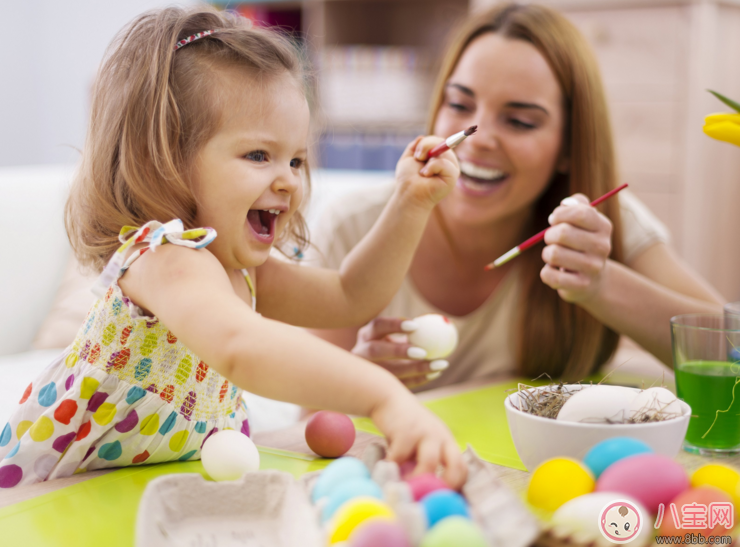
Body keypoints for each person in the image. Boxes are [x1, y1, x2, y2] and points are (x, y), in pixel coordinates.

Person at [0, 6, 467, 489]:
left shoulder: (241, 269)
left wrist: (410, 203)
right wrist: (383, 397)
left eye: (297, 159)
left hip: (152, 491)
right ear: (167, 160)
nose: (288, 180)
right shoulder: (163, 259)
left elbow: (352, 296)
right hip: (52, 495)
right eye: (259, 155)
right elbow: (241, 346)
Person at [307, 3, 724, 390]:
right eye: (459, 103)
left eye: (520, 121)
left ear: (567, 148)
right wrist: (356, 385)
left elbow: (730, 354)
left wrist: (601, 284)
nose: (478, 138)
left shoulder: (594, 224)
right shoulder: (352, 226)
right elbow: (310, 422)